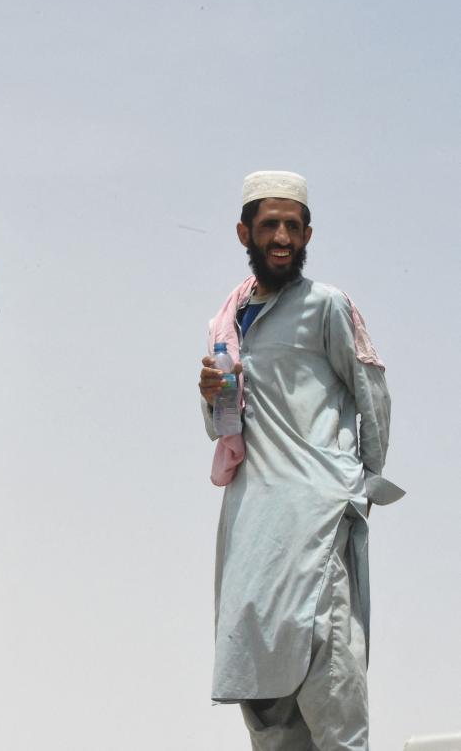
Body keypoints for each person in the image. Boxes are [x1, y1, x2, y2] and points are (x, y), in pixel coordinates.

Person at [198, 171, 404, 750]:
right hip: (253, 541)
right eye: (270, 225)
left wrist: (354, 484)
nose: (283, 236)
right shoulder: (227, 324)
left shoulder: (327, 307)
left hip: (317, 533)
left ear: (308, 233)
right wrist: (211, 397)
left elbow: (373, 396)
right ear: (246, 232)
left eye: (294, 225)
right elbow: (224, 432)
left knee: (335, 703)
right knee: (270, 720)